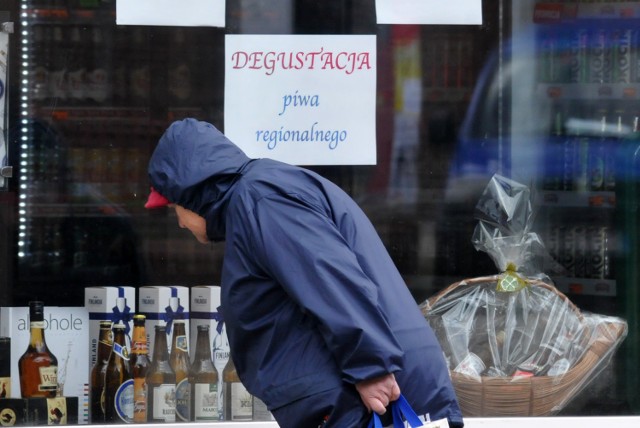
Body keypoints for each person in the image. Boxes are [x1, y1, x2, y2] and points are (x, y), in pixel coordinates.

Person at [145, 118, 464, 428]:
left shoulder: (261, 199)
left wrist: (371, 368)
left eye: (175, 208)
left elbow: (327, 276)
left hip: (376, 395)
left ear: (192, 193)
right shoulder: (260, 196)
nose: (180, 223)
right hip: (368, 390)